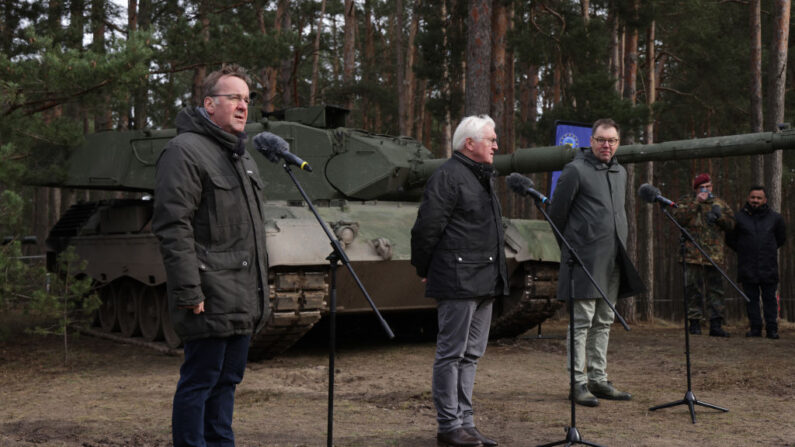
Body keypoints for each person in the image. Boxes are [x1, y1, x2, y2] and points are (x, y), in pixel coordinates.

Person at [152, 64, 269, 447]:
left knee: (227, 383)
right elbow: (174, 227)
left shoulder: (241, 155)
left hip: (239, 294)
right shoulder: (185, 151)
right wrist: (189, 291)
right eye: (233, 97)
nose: (242, 106)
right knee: (200, 381)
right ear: (208, 104)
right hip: (208, 295)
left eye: (247, 99)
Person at [410, 115, 507, 447]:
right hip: (458, 279)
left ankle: (466, 423)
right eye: (490, 139)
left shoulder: (481, 178)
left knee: (471, 355)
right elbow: (426, 228)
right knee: (451, 354)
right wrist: (424, 266)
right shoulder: (448, 176)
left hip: (484, 281)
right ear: (470, 144)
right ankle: (448, 425)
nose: (496, 145)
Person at [548, 118, 645, 408]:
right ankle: (577, 383)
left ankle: (598, 379)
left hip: (614, 259)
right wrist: (571, 250)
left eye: (612, 141)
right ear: (591, 141)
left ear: (618, 143)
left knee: (603, 321)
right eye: (601, 140)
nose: (607, 145)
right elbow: (556, 215)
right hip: (584, 261)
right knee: (581, 323)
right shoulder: (575, 170)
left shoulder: (620, 172)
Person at [673, 173, 735, 337]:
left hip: (714, 256)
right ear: (695, 189)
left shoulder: (719, 204)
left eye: (708, 186)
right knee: (693, 290)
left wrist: (719, 217)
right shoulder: (687, 202)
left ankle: (716, 324)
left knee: (716, 290)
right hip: (692, 254)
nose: (706, 190)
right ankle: (695, 323)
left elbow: (732, 225)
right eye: (702, 187)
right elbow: (678, 218)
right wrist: (696, 203)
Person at [726, 186, 786, 339]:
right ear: (748, 198)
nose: (755, 201)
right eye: (753, 197)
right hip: (747, 265)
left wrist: (767, 250)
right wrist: (745, 250)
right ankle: (755, 328)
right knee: (750, 299)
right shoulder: (738, 218)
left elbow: (781, 239)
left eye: (759, 198)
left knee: (770, 299)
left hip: (768, 265)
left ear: (765, 200)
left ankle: (772, 329)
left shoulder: (776, 218)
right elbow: (731, 239)